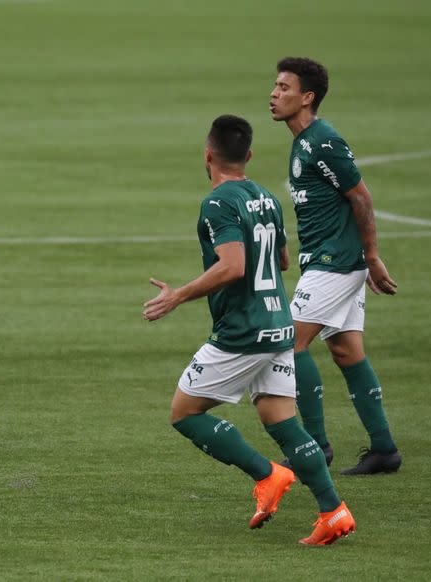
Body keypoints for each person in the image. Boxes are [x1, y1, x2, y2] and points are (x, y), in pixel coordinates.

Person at [143, 115, 355, 545]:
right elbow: (280, 262)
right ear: (249, 156)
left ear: (207, 154)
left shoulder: (218, 203)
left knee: (184, 413)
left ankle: (267, 474)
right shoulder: (266, 197)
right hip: (279, 324)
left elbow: (234, 266)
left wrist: (177, 296)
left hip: (244, 331)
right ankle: (333, 510)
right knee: (282, 422)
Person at [269, 57, 401, 475]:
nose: (274, 94)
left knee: (290, 344)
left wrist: (372, 256)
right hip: (327, 260)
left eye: (284, 88)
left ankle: (316, 446)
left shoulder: (323, 141)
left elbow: (360, 196)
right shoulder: (301, 141)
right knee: (346, 351)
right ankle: (384, 450)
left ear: (307, 97)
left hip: (336, 262)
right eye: (274, 86)